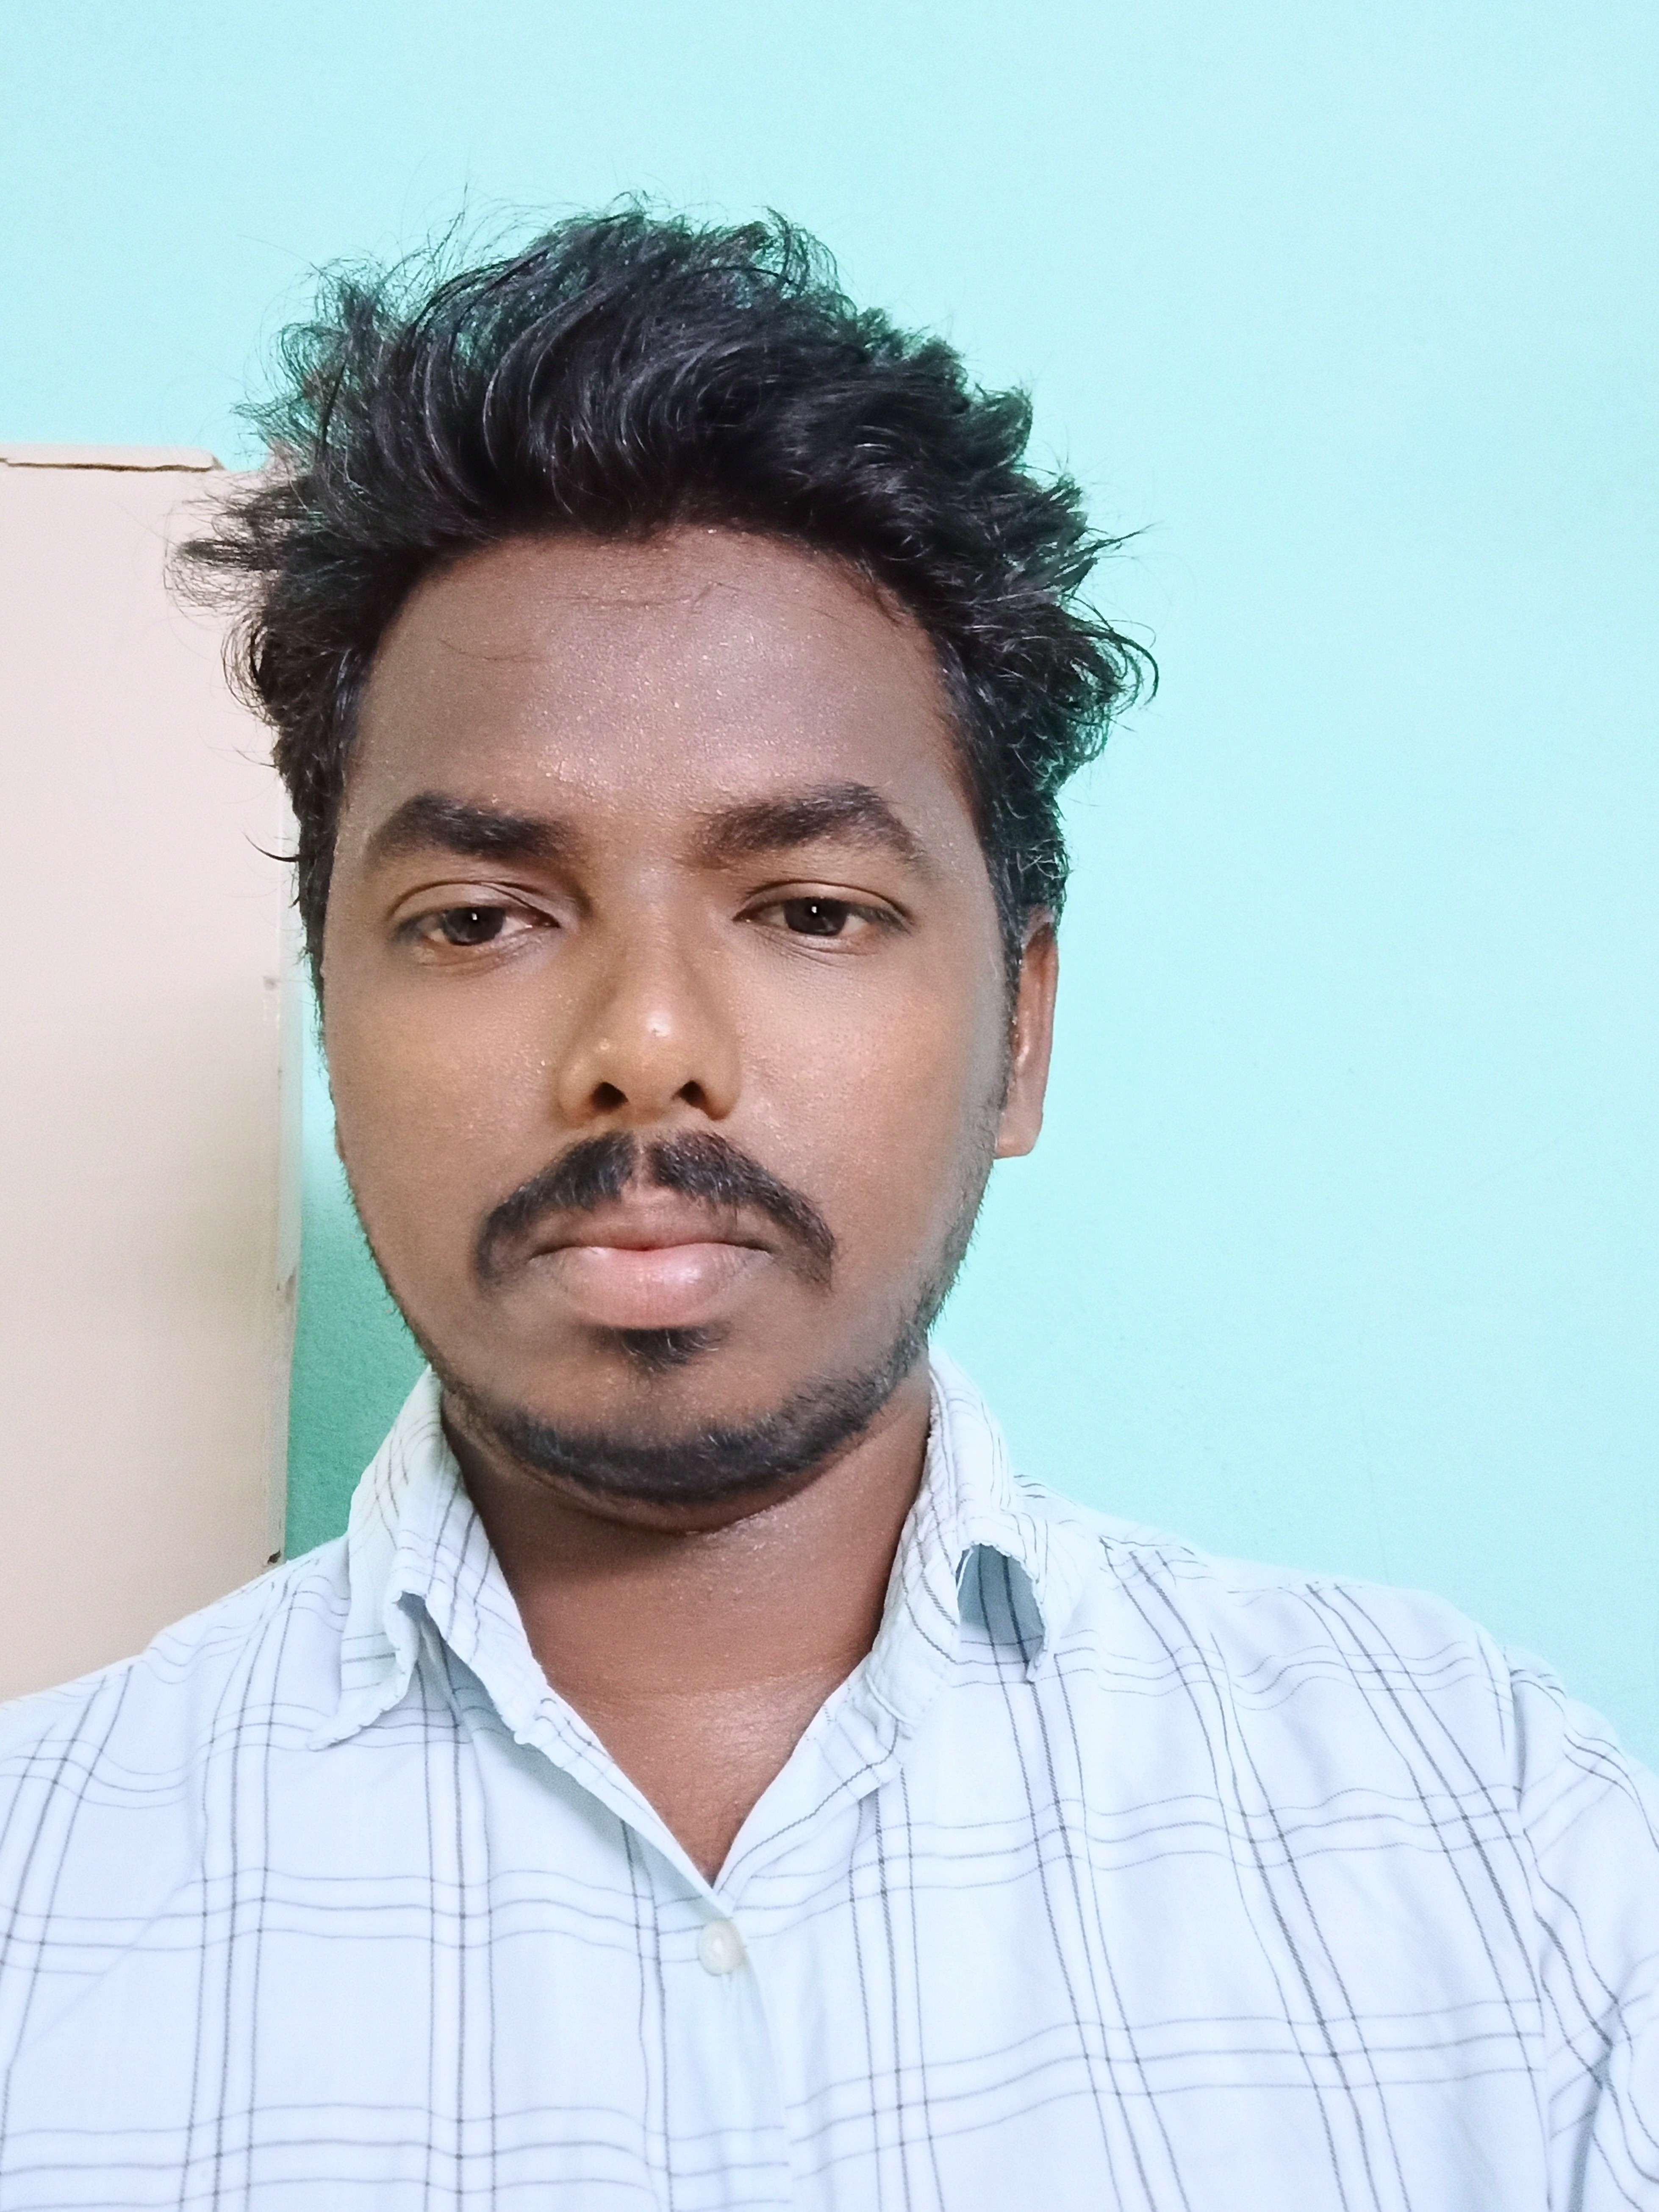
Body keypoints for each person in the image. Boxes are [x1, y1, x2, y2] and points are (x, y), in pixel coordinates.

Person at [0, 210, 1652, 2212]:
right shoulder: (37, 1893)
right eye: (482, 916)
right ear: (330, 1016)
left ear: (1019, 1033)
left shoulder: (1498, 1843)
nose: (646, 1046)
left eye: (807, 908)